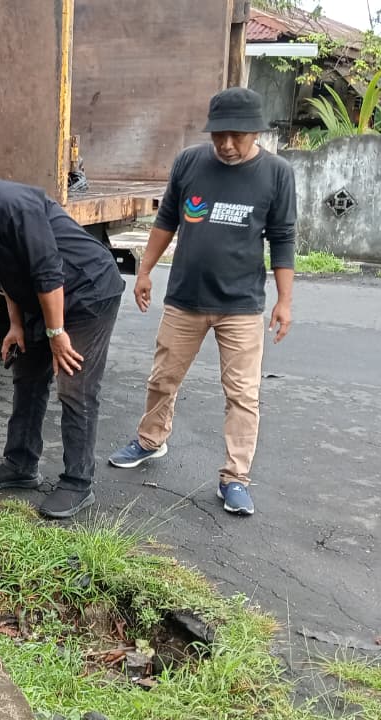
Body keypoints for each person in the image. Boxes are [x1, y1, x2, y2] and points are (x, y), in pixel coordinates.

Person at [107, 86, 296, 517]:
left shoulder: (277, 173)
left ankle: (235, 478)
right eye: (218, 135)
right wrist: (145, 271)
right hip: (185, 299)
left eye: (237, 136)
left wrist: (285, 300)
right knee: (162, 378)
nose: (226, 144)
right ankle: (150, 440)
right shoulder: (189, 162)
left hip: (241, 305)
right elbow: (167, 220)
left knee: (243, 394)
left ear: (256, 133)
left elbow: (283, 239)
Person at [0, 160, 125, 518]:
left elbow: (49, 272)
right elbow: (8, 276)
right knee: (27, 374)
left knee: (74, 384)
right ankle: (21, 464)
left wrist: (56, 333)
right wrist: (15, 326)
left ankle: (78, 482)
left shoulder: (15, 206)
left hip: (88, 292)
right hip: (45, 298)